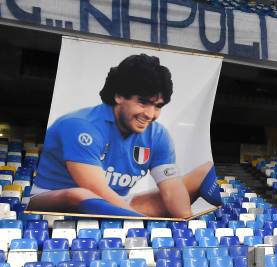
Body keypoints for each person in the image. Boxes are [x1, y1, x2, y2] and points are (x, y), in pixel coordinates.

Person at [27, 54, 221, 218]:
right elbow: (95, 190)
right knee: (80, 194)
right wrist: (142, 224)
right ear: (119, 96)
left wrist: (184, 226)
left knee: (204, 171)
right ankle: (136, 222)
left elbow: (171, 190)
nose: (150, 114)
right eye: (143, 102)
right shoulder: (80, 125)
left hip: (117, 204)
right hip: (54, 201)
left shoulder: (158, 134)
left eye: (158, 106)